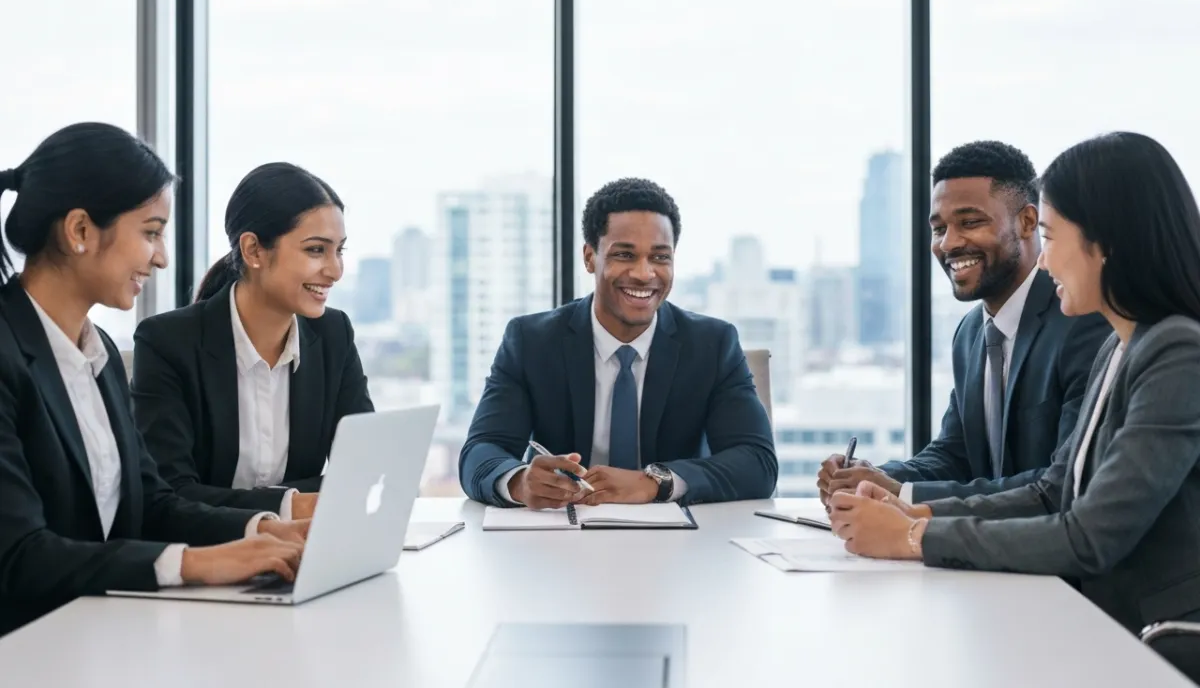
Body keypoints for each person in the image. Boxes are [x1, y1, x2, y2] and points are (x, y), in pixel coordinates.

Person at [829, 132, 1200, 635]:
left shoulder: (1177, 351)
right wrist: (909, 509)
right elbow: (1054, 492)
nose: (1043, 260)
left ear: (1106, 242)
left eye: (1049, 236)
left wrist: (914, 535)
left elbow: (1090, 535)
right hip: (1102, 622)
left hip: (1159, 635)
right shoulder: (1121, 346)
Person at [0, 123, 307, 637]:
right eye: (150, 231)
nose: (162, 256)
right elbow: (20, 555)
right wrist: (193, 564)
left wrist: (265, 532)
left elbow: (151, 503)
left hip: (101, 638)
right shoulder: (8, 353)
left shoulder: (95, 353)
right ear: (79, 231)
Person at [817, 141, 1109, 505]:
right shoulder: (971, 333)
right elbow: (955, 455)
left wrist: (904, 495)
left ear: (1027, 222)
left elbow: (1064, 481)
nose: (949, 243)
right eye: (939, 229)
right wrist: (873, 477)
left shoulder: (1081, 320)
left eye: (970, 222)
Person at [458, 177, 777, 509]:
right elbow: (481, 451)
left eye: (660, 257)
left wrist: (655, 483)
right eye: (625, 255)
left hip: (679, 544)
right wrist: (519, 481)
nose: (644, 273)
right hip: (560, 541)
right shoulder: (532, 342)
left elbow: (758, 464)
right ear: (590, 257)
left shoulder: (712, 345)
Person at [131, 163, 374, 523]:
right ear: (254, 250)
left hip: (308, 555)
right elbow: (171, 492)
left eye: (339, 251)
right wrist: (291, 504)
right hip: (210, 559)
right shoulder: (168, 344)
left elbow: (362, 471)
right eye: (316, 250)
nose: (335, 270)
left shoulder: (333, 335)